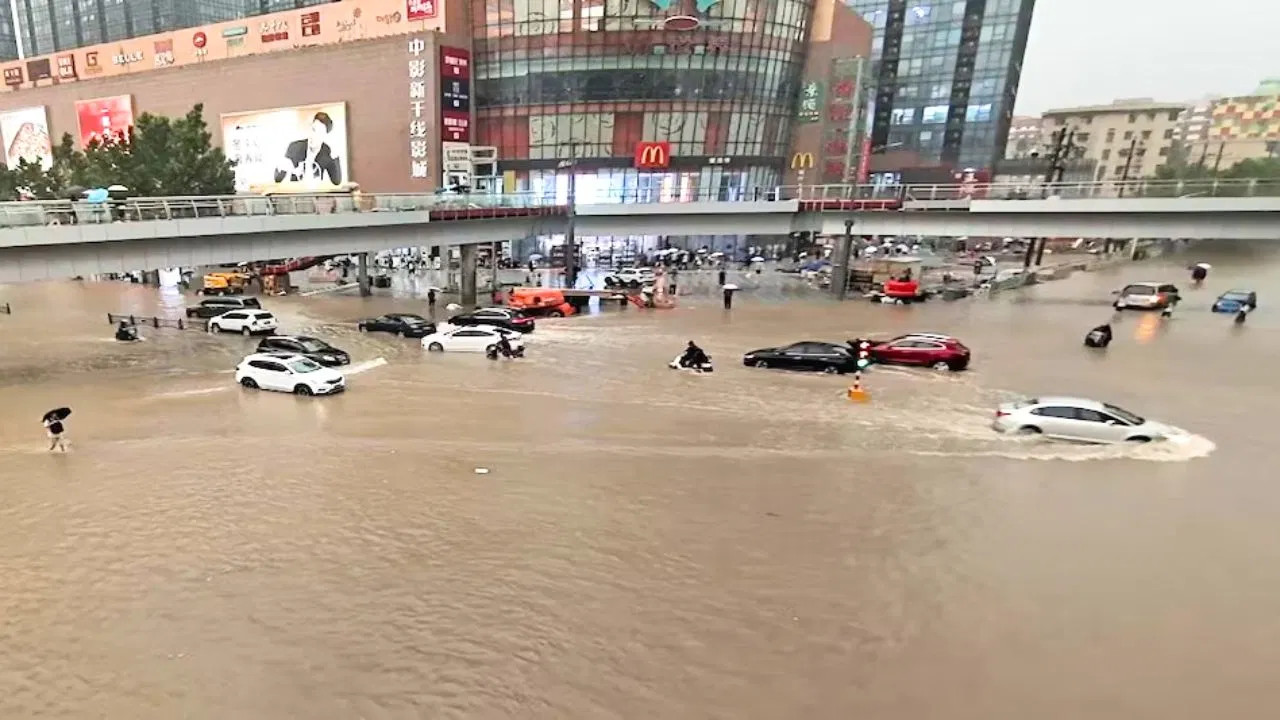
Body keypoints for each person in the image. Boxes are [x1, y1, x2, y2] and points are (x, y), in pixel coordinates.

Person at [274, 111, 343, 185]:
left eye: (319, 133)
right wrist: (281, 166)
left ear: (325, 136)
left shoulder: (327, 152)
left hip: (317, 191)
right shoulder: (294, 147)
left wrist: (335, 156)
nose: (314, 136)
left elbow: (336, 181)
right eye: (313, 129)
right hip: (295, 191)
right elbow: (277, 179)